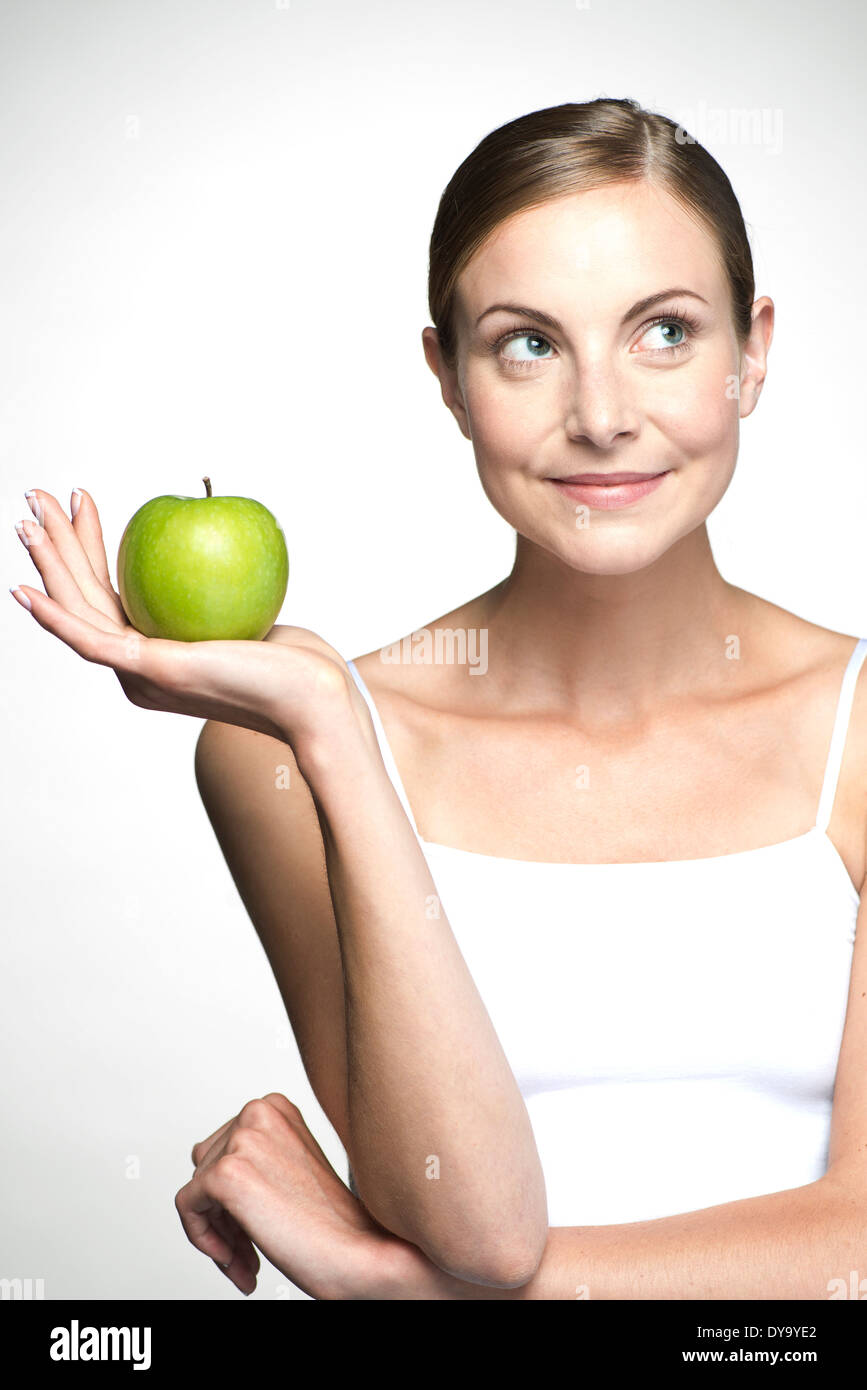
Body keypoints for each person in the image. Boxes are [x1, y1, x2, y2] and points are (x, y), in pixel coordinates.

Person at [11, 98, 867, 1301]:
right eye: (528, 344)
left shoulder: (861, 731)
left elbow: (858, 1246)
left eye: (665, 331)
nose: (604, 413)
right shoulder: (276, 762)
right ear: (447, 377)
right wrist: (331, 731)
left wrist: (402, 1293)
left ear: (754, 351)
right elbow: (477, 1228)